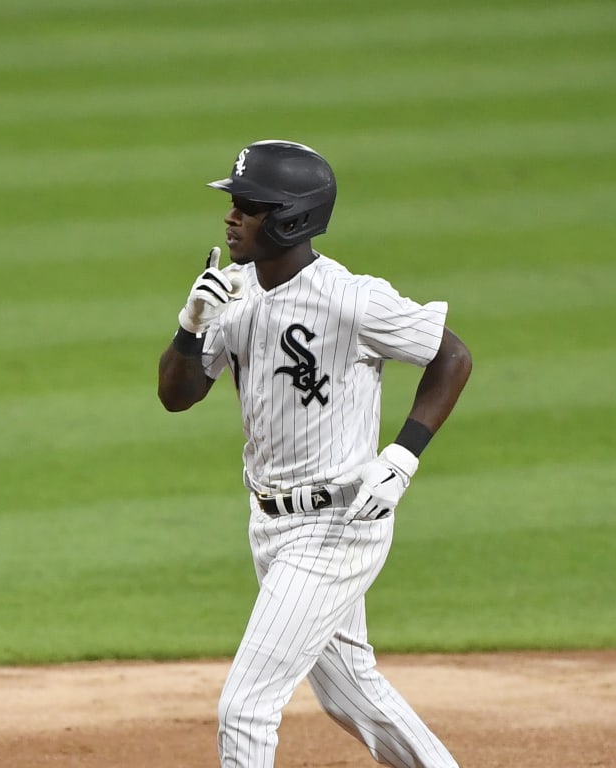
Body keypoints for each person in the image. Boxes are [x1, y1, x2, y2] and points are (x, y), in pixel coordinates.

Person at [157, 140, 473, 768]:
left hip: (338, 525)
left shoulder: (351, 297)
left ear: (291, 217)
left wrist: (403, 458)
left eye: (249, 205)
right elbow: (178, 395)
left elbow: (451, 356)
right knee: (352, 693)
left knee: (245, 707)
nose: (232, 216)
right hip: (271, 525)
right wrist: (191, 326)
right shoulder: (232, 293)